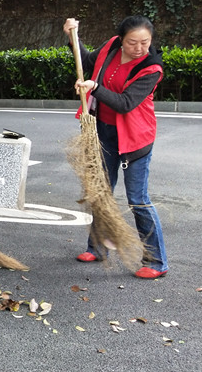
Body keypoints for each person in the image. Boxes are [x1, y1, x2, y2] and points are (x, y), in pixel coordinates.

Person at [64, 16, 168, 279]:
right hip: (102, 131)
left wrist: (95, 88)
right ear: (121, 39)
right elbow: (88, 62)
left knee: (138, 199)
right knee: (101, 191)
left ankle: (157, 261)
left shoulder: (151, 68)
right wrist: (72, 37)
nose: (139, 48)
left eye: (145, 42)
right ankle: (97, 248)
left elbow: (125, 103)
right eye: (133, 42)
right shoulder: (111, 46)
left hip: (135, 137)